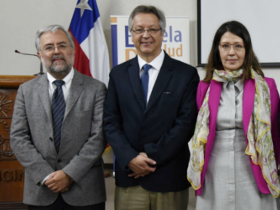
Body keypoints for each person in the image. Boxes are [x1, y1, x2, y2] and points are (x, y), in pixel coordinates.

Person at [103, 5, 199, 210]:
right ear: (131, 34)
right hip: (130, 177)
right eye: (139, 30)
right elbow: (110, 122)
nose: (145, 35)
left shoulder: (186, 74)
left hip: (168, 177)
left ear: (163, 33)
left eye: (152, 29)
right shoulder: (118, 74)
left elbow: (186, 124)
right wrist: (130, 158)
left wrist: (149, 158)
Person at [10, 25, 107, 210]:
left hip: (85, 190)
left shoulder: (96, 88)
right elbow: (18, 137)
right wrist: (47, 175)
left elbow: (99, 137)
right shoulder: (26, 90)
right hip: (41, 190)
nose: (56, 51)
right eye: (49, 47)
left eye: (62, 45)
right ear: (39, 55)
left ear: (72, 50)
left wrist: (69, 174)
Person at [187, 21, 280, 209]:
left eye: (238, 46)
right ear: (217, 50)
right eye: (225, 46)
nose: (232, 52)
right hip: (215, 170)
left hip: (254, 171)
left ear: (247, 51)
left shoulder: (266, 86)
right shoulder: (204, 87)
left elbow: (275, 135)